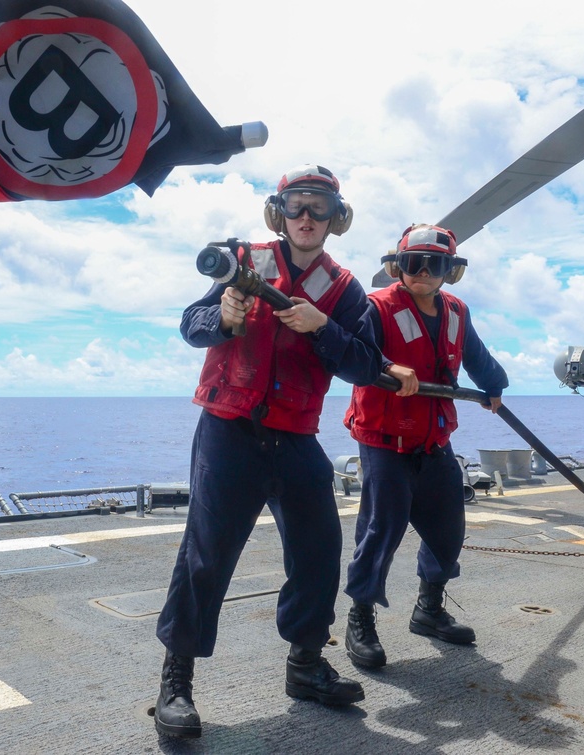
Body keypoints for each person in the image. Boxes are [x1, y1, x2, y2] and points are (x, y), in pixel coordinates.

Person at [153, 165, 384, 738]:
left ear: (336, 217)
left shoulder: (346, 289)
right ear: (279, 213)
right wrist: (224, 318)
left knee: (317, 551)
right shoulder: (246, 261)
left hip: (296, 437)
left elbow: (365, 365)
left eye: (319, 207)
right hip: (229, 430)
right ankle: (175, 682)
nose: (307, 218)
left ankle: (305, 665)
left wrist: (322, 327)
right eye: (296, 206)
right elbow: (191, 324)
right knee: (205, 556)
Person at [340, 224, 508, 669]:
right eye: (414, 263)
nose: (423, 273)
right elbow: (353, 357)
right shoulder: (374, 308)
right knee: (382, 531)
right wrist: (389, 366)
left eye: (434, 265)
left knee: (448, 529)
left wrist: (493, 385)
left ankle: (428, 610)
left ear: (449, 271)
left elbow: (475, 355)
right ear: (398, 265)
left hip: (434, 440)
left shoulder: (456, 311)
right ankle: (360, 618)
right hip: (384, 442)